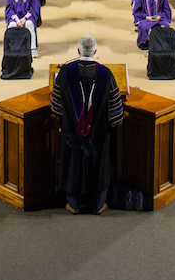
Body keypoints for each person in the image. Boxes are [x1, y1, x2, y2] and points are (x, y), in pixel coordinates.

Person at [51, 36, 124, 215]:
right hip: (98, 132)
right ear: (95, 52)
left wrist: (66, 118)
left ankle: (73, 205)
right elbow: (116, 108)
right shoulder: (106, 74)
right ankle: (99, 205)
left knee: (72, 163)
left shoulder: (66, 72)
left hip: (72, 132)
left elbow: (56, 106)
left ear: (78, 51)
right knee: (99, 165)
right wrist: (114, 123)